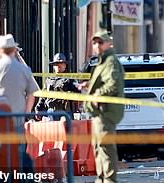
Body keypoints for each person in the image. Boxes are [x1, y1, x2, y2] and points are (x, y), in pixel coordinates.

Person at [79, 31, 124, 183]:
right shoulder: (102, 61)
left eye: (100, 42)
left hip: (106, 111)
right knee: (98, 146)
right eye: (95, 43)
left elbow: (112, 84)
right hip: (99, 112)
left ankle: (109, 179)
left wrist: (97, 94)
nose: (97, 45)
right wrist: (89, 85)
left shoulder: (110, 61)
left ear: (108, 44)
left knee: (105, 147)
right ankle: (102, 178)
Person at [0, 34, 40, 128]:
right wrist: (26, 113)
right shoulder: (24, 70)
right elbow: (32, 94)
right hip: (18, 119)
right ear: (14, 50)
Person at [35, 53, 81, 120]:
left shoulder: (70, 80)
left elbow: (78, 94)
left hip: (65, 112)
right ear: (53, 66)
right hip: (51, 111)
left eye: (61, 63)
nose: (58, 66)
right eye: (56, 64)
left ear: (65, 65)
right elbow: (43, 96)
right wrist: (38, 109)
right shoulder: (49, 80)